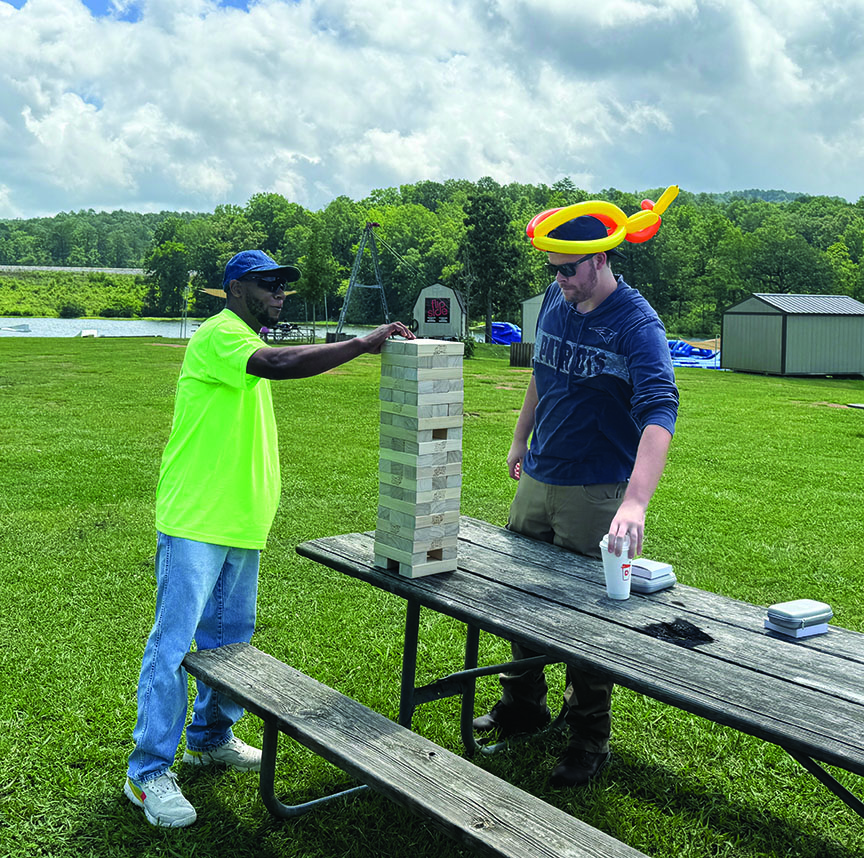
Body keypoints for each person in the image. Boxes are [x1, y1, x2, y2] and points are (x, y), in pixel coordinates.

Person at [125, 249, 414, 827]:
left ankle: (211, 738)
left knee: (231, 641)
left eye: (284, 284)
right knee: (174, 644)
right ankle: (148, 772)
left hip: (240, 521)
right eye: (268, 283)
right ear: (234, 288)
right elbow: (281, 363)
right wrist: (361, 343)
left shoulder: (238, 335)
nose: (280, 292)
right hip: (196, 521)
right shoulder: (219, 335)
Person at [473, 213, 679, 788]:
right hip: (540, 477)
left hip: (596, 492)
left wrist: (635, 502)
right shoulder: (557, 296)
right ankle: (523, 705)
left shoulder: (637, 326)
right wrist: (521, 436)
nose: (559, 280)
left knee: (589, 620)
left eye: (569, 271)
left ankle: (589, 737)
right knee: (522, 602)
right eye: (553, 270)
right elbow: (543, 366)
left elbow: (661, 410)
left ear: (602, 259)